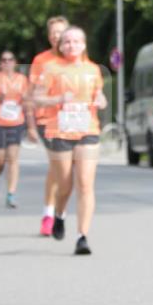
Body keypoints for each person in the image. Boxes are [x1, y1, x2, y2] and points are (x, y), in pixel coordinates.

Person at [33, 26, 107, 255]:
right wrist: (58, 98)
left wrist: (100, 101)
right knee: (65, 186)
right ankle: (59, 214)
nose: (71, 45)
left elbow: (100, 96)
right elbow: (37, 99)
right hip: (60, 131)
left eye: (76, 41)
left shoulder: (93, 69)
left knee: (85, 184)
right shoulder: (51, 68)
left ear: (84, 45)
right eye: (67, 42)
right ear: (60, 45)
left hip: (87, 130)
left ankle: (82, 236)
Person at [27, 15, 69, 235]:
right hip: (47, 120)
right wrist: (31, 125)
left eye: (60, 32)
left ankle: (58, 210)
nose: (56, 36)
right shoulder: (41, 60)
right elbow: (31, 95)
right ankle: (49, 214)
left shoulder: (76, 58)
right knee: (56, 166)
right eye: (53, 32)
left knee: (67, 169)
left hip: (73, 121)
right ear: (49, 36)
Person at [0, 52, 30, 208]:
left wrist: (25, 100)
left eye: (10, 59)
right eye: (4, 60)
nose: (7, 62)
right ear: (0, 63)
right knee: (0, 160)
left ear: (15, 62)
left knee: (13, 158)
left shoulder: (22, 80)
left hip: (16, 122)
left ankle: (11, 193)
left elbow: (28, 100)